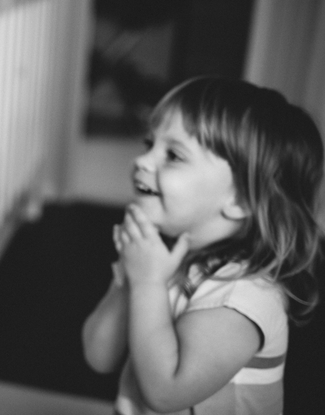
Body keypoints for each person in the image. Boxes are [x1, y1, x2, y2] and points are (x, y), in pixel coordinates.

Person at [82, 76, 324, 414]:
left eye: (173, 155)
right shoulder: (158, 258)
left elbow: (165, 393)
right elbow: (99, 356)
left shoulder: (244, 296)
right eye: (149, 143)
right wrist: (129, 282)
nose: (142, 161)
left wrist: (147, 283)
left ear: (240, 199)